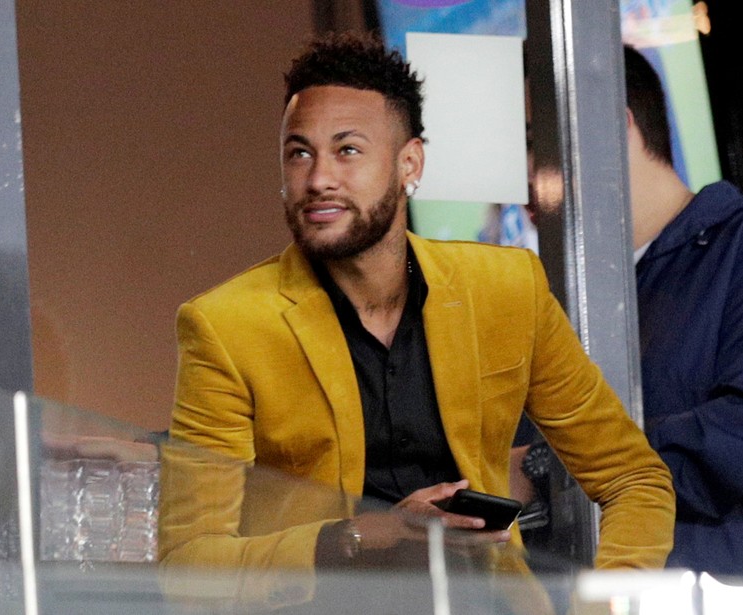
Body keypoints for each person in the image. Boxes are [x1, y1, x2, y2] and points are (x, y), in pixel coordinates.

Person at [159, 32, 674, 601]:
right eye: (298, 152)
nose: (318, 178)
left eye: (347, 150)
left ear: (410, 164)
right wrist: (356, 536)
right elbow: (189, 566)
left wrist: (602, 609)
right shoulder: (225, 326)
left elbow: (634, 479)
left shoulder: (507, 290)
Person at [625, 44, 743, 576]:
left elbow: (734, 437)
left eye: (533, 145)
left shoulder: (734, 246)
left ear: (614, 129)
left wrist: (548, 469)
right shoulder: (573, 298)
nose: (525, 180)